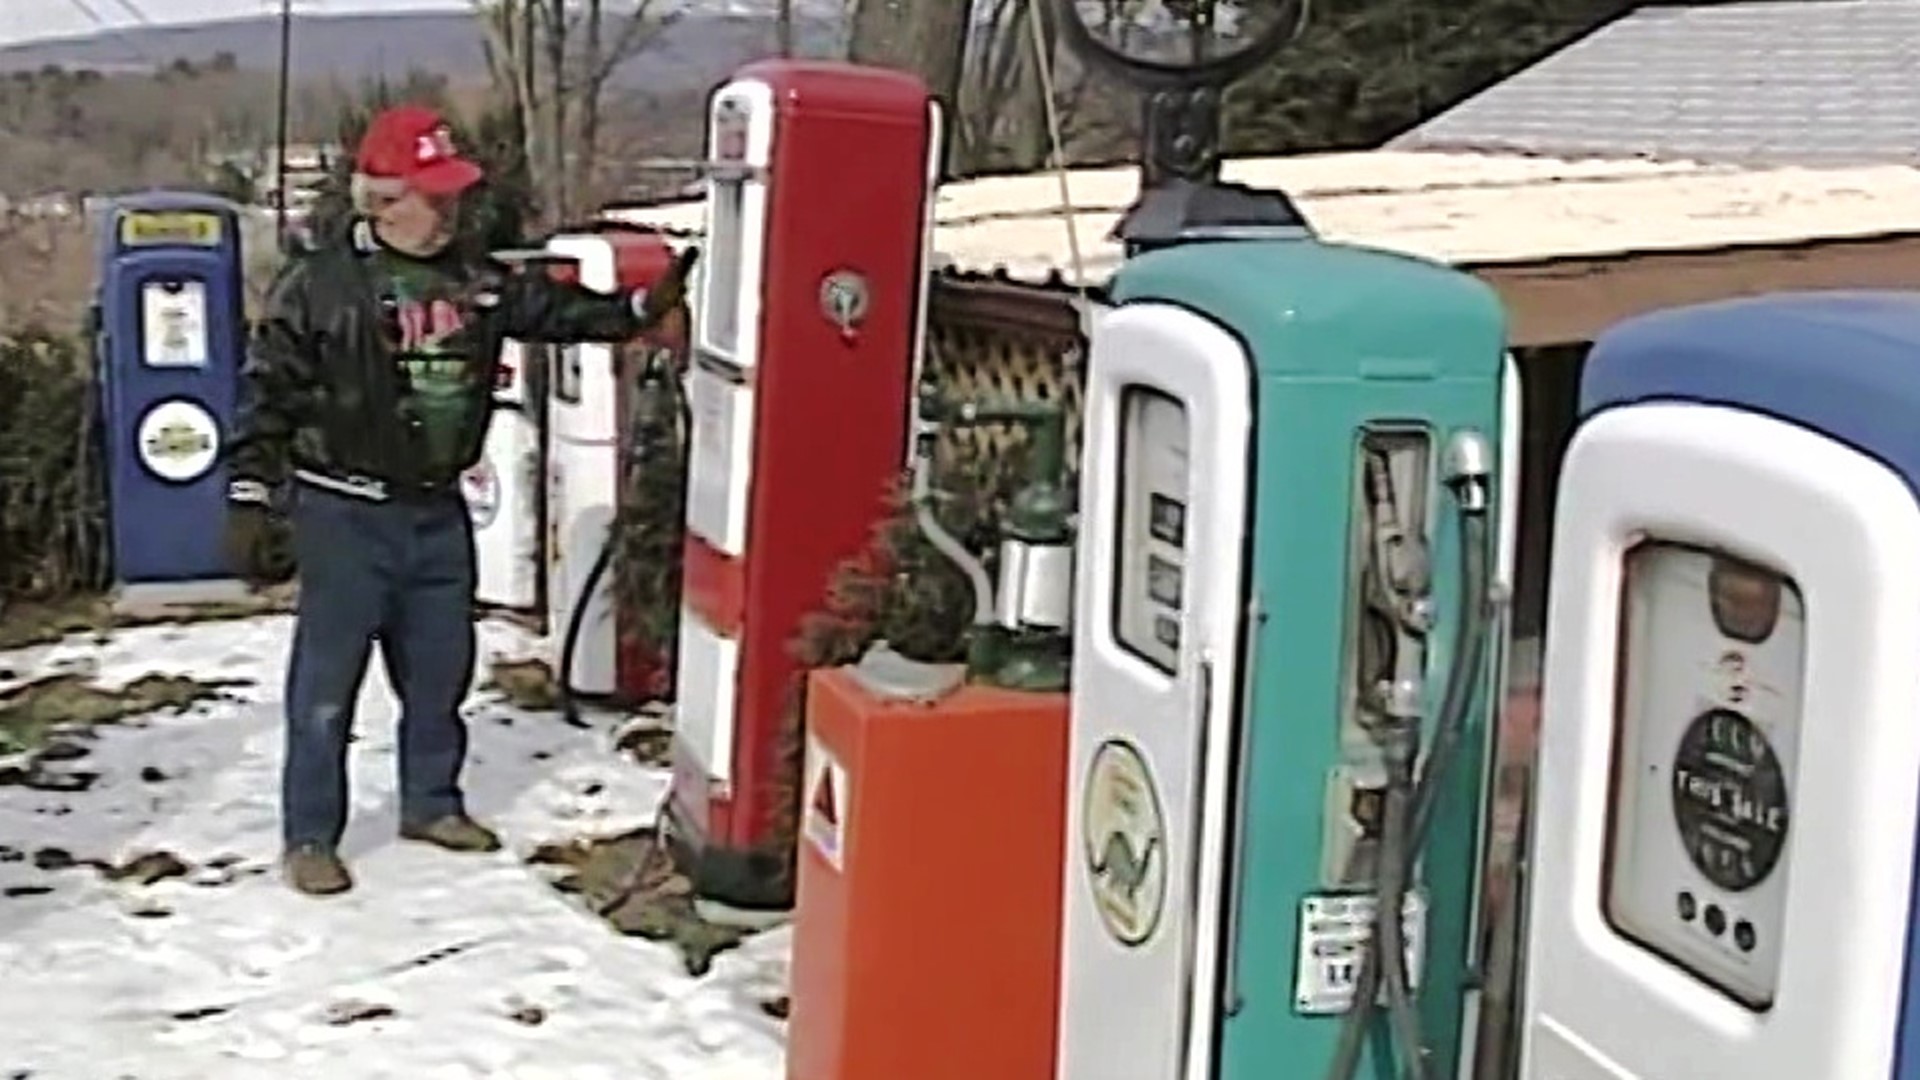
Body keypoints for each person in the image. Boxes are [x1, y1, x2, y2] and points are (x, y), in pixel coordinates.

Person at [223, 104, 697, 897]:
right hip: (344, 511)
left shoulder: (476, 276)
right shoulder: (318, 286)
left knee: (442, 672)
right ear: (381, 199)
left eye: (453, 196)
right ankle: (311, 834)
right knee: (326, 688)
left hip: (437, 512)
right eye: (431, 195)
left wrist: (635, 315)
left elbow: (552, 311)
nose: (448, 211)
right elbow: (266, 394)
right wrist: (248, 493)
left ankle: (431, 803)